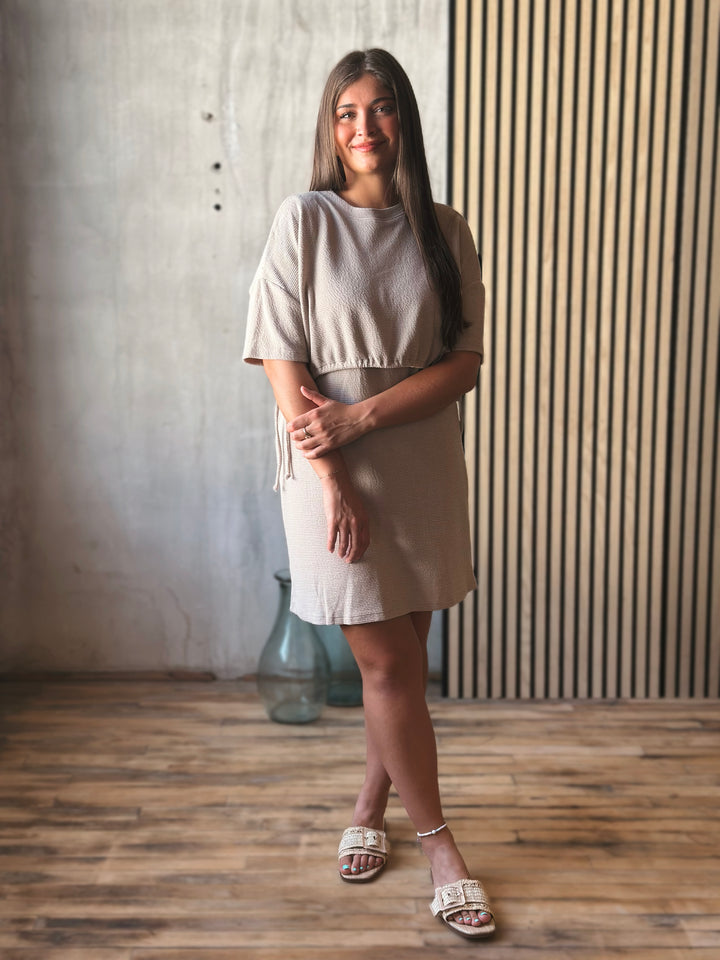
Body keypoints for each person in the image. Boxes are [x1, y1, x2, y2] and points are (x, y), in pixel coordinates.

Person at [243, 48, 494, 940]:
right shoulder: (303, 219)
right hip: (328, 466)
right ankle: (438, 848)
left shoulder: (446, 228)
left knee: (403, 666)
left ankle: (368, 806)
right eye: (346, 113)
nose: (363, 129)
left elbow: (463, 363)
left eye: (381, 110)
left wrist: (367, 420)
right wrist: (334, 466)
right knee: (387, 666)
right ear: (329, 127)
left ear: (404, 121)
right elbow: (281, 350)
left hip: (421, 460)